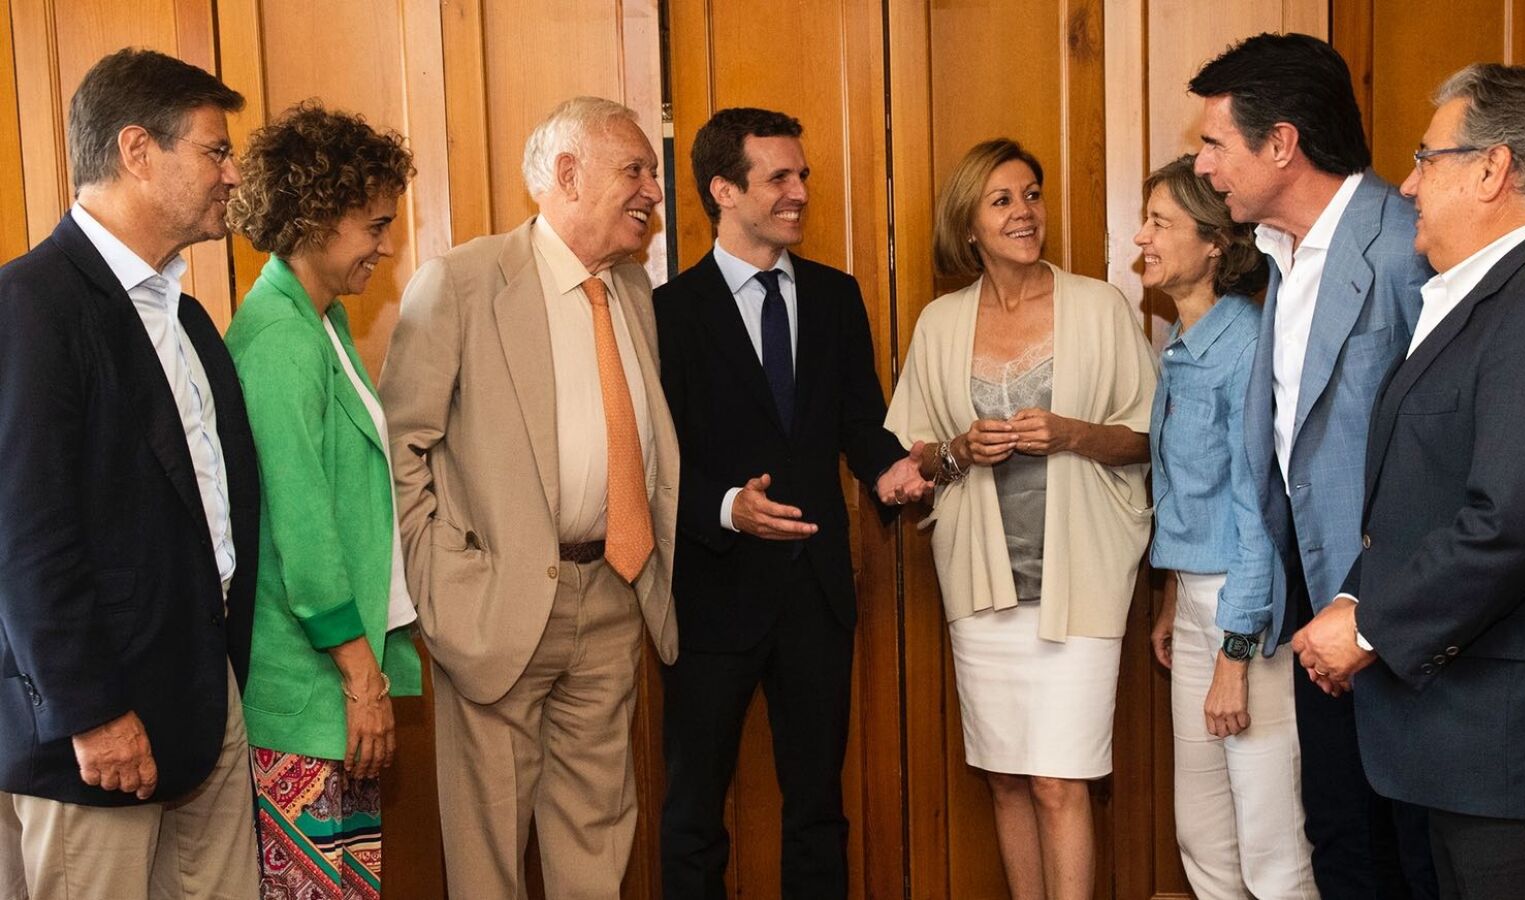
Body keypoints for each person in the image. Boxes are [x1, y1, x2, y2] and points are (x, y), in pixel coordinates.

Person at [1294, 62, 1525, 900]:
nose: (1407, 184)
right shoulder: (1492, 294)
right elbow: (1424, 496)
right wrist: (1355, 598)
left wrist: (1370, 628)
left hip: (1520, 757)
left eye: (1426, 159)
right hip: (1461, 746)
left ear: (1492, 169)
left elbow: (1516, 519)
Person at [379, 95, 677, 900]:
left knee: (597, 838)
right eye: (636, 170)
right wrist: (441, 582)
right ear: (568, 175)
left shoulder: (633, 290)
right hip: (495, 609)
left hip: (612, 594)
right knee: (489, 855)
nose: (653, 191)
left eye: (652, 173)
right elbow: (401, 447)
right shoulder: (461, 282)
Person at [0, 48, 260, 900]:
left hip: (205, 697)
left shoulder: (186, 317)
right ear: (138, 150)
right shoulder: (31, 304)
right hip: (94, 729)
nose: (232, 174)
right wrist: (93, 712)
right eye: (216, 151)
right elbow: (25, 536)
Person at [654, 107, 926, 900]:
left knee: (818, 810)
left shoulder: (837, 297)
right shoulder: (667, 313)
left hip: (816, 595)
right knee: (694, 813)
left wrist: (890, 471)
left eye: (802, 175)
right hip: (710, 597)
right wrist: (726, 506)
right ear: (724, 191)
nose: (800, 191)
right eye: (780, 177)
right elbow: (649, 462)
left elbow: (858, 422)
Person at [1189, 32, 1435, 899]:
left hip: (1396, 611)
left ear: (1282, 144)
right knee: (1339, 836)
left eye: (1215, 142)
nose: (1202, 164)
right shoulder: (1279, 255)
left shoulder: (1407, 243)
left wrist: (1372, 604)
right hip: (1314, 602)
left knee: (1414, 851)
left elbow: (1445, 449)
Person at [884, 138, 1155, 900]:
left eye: (1031, 194)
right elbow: (916, 458)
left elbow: (1148, 439)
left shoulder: (1099, 307)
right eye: (1002, 200)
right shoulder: (940, 324)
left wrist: (1072, 434)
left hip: (1081, 586)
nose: (1024, 212)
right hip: (983, 592)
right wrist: (959, 450)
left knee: (1058, 783)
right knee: (1005, 778)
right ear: (968, 224)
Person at [223, 101, 423, 898]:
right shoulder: (279, 337)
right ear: (316, 216)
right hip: (306, 688)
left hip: (329, 684)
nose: (386, 245)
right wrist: (361, 680)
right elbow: (303, 532)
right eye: (375, 226)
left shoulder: (321, 320)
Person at [1140, 155, 1316, 899]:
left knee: (1270, 848)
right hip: (1195, 604)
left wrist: (1235, 653)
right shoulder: (1181, 345)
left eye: (1160, 223)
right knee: (1204, 835)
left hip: (1247, 613)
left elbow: (1258, 515)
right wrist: (1172, 600)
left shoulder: (1244, 346)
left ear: (1214, 243)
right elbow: (1191, 493)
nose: (1141, 237)